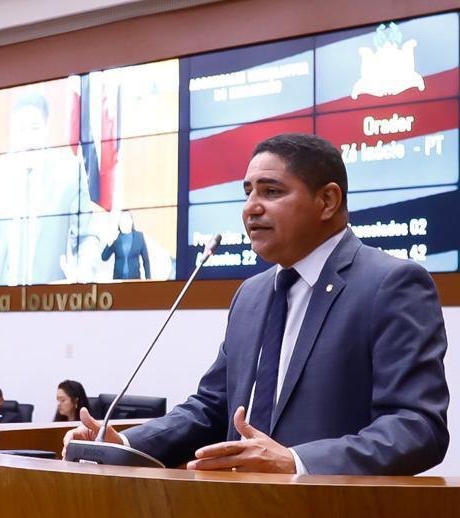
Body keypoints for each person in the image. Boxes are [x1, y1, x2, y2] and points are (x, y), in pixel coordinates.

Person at [66, 133, 448, 475]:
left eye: (271, 191)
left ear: (328, 200)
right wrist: (128, 444)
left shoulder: (390, 283)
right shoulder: (252, 294)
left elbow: (416, 426)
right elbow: (213, 408)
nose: (251, 207)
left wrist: (297, 462)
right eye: (247, 191)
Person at [0, 92, 101, 286]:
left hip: (49, 305)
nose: (27, 136)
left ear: (46, 129)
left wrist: (84, 272)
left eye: (34, 127)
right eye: (21, 128)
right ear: (12, 131)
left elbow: (88, 236)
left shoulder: (69, 173)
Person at [101, 210, 151, 280]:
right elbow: (104, 257)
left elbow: (146, 260)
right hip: (118, 281)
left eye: (126, 219)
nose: (123, 222)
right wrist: (110, 241)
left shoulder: (139, 237)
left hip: (134, 280)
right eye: (121, 220)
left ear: (131, 221)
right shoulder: (116, 237)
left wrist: (148, 280)